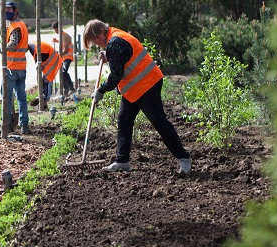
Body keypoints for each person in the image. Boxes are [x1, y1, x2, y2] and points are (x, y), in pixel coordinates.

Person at [83, 19, 192, 175]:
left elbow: (115, 76)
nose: (97, 44)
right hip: (134, 88)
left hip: (147, 84)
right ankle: (122, 161)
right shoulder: (115, 37)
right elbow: (125, 56)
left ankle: (184, 158)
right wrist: (109, 56)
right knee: (124, 121)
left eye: (95, 41)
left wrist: (101, 90)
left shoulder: (114, 43)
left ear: (100, 33)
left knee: (159, 122)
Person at [0, 0, 30, 134]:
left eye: (9, 10)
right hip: (21, 67)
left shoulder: (16, 26)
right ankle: (24, 124)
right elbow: (24, 46)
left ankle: (6, 125)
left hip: (12, 68)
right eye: (5, 10)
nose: (6, 12)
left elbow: (14, 43)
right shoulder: (22, 25)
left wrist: (1, 48)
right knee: (21, 97)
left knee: (6, 97)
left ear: (16, 11)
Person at [52, 21, 76, 98]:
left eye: (56, 30)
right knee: (62, 73)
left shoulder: (65, 36)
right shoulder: (61, 36)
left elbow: (65, 49)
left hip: (67, 57)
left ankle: (71, 87)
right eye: (55, 30)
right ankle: (66, 91)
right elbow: (62, 43)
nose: (56, 32)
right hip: (63, 58)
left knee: (63, 71)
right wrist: (56, 41)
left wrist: (58, 54)